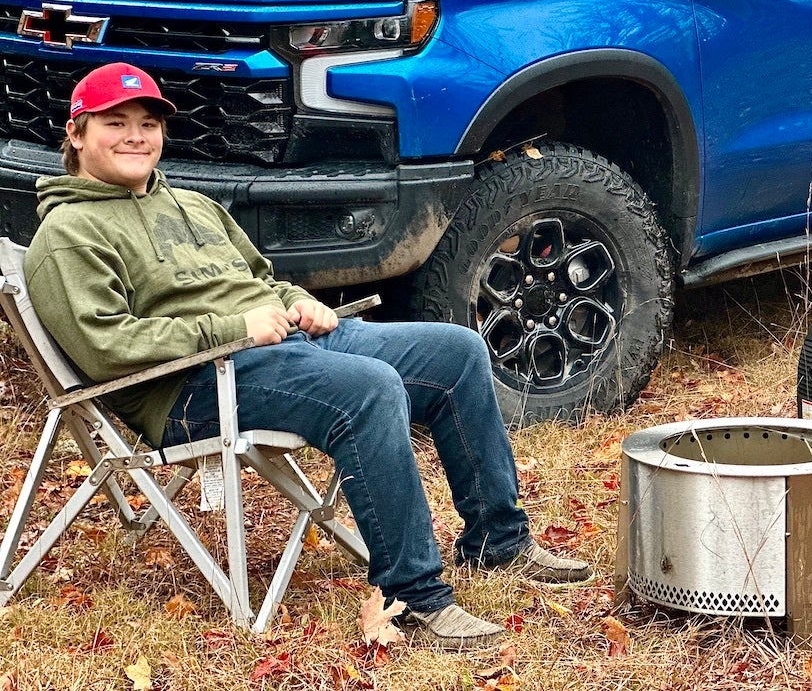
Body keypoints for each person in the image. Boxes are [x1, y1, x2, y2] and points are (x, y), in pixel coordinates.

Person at [24, 62, 591, 649]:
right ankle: (415, 598)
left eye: (147, 122)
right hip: (190, 386)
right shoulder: (68, 234)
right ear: (76, 133)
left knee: (457, 351)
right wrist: (231, 328)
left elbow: (261, 278)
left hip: (284, 343)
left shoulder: (193, 206)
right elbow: (107, 348)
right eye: (115, 123)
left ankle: (500, 541)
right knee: (367, 389)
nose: (136, 136)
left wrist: (299, 301)